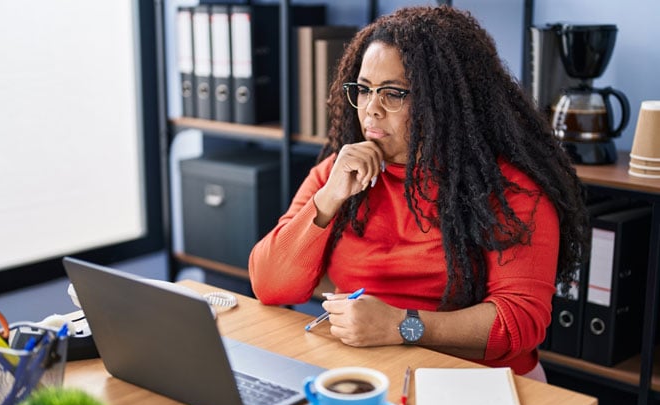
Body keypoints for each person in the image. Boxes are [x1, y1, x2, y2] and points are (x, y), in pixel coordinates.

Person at [248, 5, 590, 381]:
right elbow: (269, 285)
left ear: (446, 101)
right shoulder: (337, 174)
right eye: (363, 90)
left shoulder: (509, 189)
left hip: (477, 383)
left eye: (393, 94)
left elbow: (518, 323)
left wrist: (401, 326)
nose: (371, 110)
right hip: (370, 373)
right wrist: (329, 198)